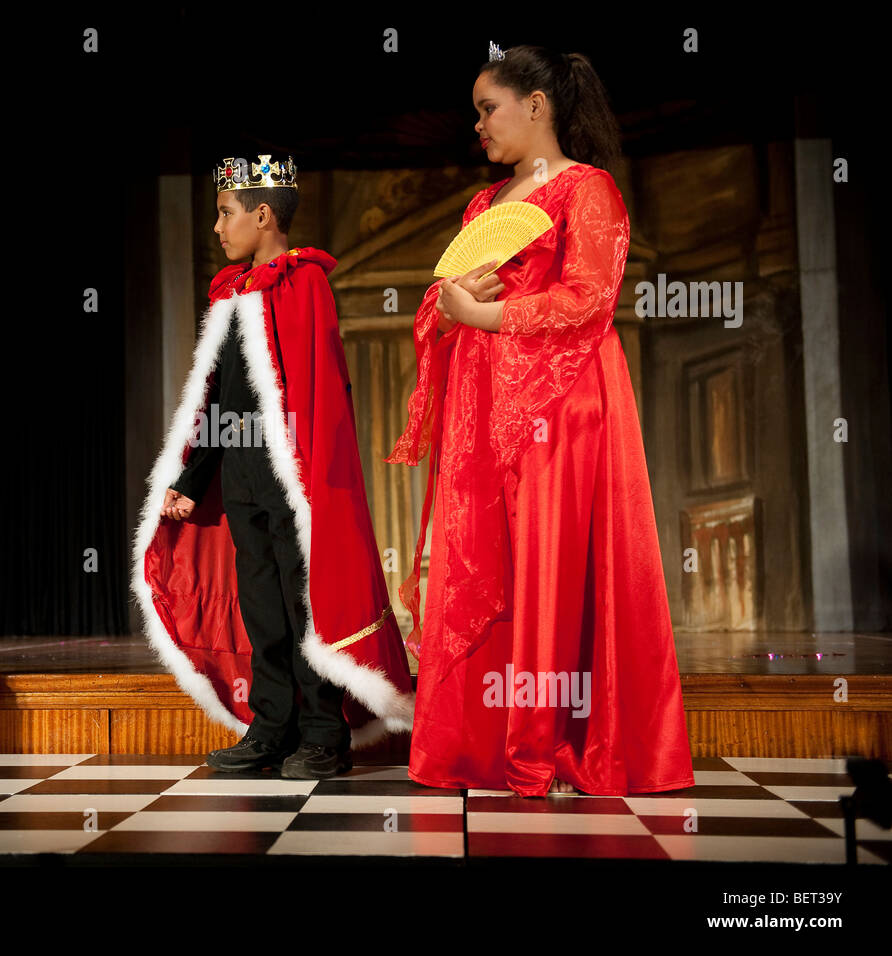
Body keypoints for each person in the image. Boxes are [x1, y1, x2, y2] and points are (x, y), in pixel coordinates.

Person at [388, 44, 695, 797]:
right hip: (484, 403)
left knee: (551, 562)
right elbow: (441, 304)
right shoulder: (480, 207)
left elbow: (591, 296)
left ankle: (548, 741)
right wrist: (450, 304)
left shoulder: (587, 191)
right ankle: (484, 743)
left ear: (537, 105)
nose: (478, 127)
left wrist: (486, 310)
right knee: (486, 559)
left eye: (487, 109)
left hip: (562, 403)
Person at [131, 154, 414, 779]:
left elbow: (322, 395)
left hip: (295, 482)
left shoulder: (303, 283)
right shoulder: (230, 294)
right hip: (241, 478)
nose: (217, 228)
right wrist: (190, 480)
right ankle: (271, 727)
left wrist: (314, 483)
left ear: (263, 216)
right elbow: (215, 397)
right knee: (260, 608)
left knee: (303, 604)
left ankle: (322, 734)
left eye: (226, 214)